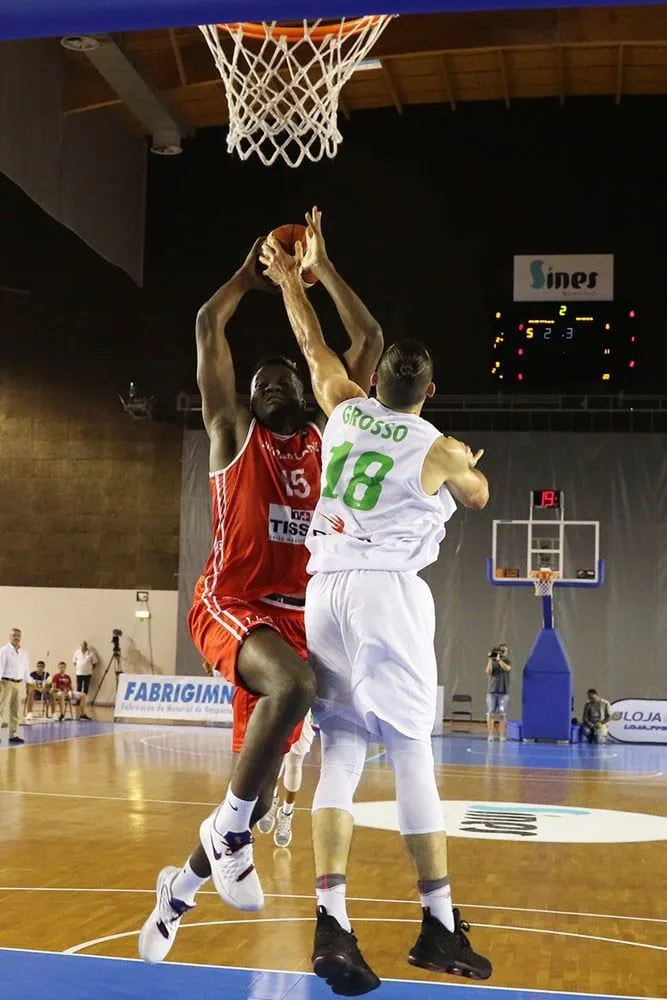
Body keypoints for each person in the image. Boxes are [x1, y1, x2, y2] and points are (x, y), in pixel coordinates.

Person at [138, 219, 383, 965]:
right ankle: (233, 839)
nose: (272, 384)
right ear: (243, 398)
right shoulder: (229, 432)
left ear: (305, 393)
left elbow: (367, 340)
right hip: (231, 604)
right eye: (259, 381)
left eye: (284, 379)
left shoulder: (329, 436)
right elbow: (208, 324)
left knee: (265, 786)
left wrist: (325, 267)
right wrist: (251, 277)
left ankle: (178, 888)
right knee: (297, 686)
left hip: (295, 620)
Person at [261, 233, 492, 993]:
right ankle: (440, 923)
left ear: (377, 378)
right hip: (385, 593)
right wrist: (463, 464)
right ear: (428, 390)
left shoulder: (345, 408)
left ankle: (332, 923)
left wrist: (295, 277)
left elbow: (311, 340)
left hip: (322, 592)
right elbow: (478, 498)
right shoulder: (438, 446)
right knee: (412, 753)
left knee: (346, 754)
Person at [257, 710, 316, 847]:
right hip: (279, 703)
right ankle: (272, 797)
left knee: (295, 764)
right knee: (273, 758)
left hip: (303, 708)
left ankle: (287, 812)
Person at [0, 627, 29, 745]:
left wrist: (28, 682)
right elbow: (0, 666)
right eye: (14, 635)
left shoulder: (23, 652)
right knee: (0, 709)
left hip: (18, 683)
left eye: (18, 635)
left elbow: (26, 668)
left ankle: (13, 734)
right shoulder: (4, 650)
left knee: (15, 709)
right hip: (5, 682)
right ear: (10, 636)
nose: (16, 637)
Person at [485, 643, 511, 742]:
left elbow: (507, 668)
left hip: (503, 692)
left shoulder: (507, 661)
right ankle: (490, 735)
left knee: (502, 714)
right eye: (502, 650)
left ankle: (501, 735)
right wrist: (490, 659)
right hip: (492, 691)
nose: (504, 652)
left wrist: (500, 660)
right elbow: (488, 672)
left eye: (505, 651)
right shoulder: (493, 661)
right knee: (490, 713)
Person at [72, 640, 99, 720]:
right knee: (79, 687)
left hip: (88, 673)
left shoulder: (91, 653)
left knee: (86, 688)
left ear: (86, 645)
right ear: (81, 645)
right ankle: (78, 700)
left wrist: (90, 669)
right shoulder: (77, 652)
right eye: (82, 644)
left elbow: (95, 663)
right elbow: (74, 662)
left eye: (85, 645)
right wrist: (79, 667)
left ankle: (84, 701)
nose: (84, 646)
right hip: (79, 673)